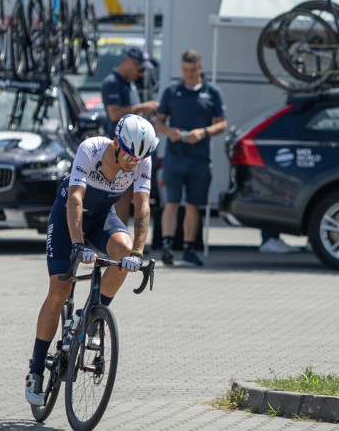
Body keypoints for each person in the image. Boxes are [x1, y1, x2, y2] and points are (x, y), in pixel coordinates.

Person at [25, 114, 157, 406]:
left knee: (122, 252)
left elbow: (143, 207)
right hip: (67, 216)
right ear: (115, 143)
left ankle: (92, 318)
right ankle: (35, 370)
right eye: (128, 155)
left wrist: (137, 252)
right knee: (59, 289)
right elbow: (75, 199)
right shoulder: (91, 149)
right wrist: (76, 245)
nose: (132, 163)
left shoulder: (140, 160)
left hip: (100, 219)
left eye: (139, 158)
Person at [154, 49, 227, 266]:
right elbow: (158, 122)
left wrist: (203, 133)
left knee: (193, 205)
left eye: (192, 70)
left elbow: (222, 123)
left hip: (200, 159)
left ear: (200, 68)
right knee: (172, 203)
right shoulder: (172, 91)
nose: (188, 74)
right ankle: (167, 247)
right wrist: (169, 132)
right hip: (175, 157)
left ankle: (188, 248)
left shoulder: (212, 92)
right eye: (185, 70)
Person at [100, 46, 159, 224]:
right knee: (119, 195)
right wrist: (141, 107)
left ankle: (121, 237)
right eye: (140, 69)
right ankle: (115, 239)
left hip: (131, 149)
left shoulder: (129, 83)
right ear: (128, 62)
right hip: (119, 149)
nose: (141, 74)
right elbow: (114, 113)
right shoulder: (112, 82)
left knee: (127, 194)